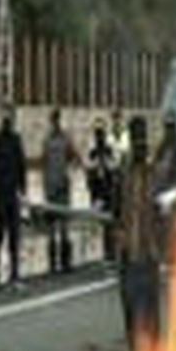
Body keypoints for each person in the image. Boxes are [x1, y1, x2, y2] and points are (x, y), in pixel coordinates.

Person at [115, 116, 161, 351]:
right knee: (131, 309)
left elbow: (162, 211)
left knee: (150, 312)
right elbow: (117, 209)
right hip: (128, 253)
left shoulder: (155, 173)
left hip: (149, 252)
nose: (140, 146)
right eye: (136, 140)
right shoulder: (124, 173)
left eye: (142, 140)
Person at [0, 104, 26, 289]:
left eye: (10, 114)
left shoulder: (16, 140)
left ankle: (14, 275)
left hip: (12, 195)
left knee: (14, 238)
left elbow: (21, 166)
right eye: (5, 114)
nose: (7, 118)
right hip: (0, 194)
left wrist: (23, 191)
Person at [43, 108, 81, 274]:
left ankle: (65, 263)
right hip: (51, 187)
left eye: (57, 119)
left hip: (63, 187)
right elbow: (43, 162)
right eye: (53, 120)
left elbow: (76, 158)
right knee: (52, 228)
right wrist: (44, 184)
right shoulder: (47, 140)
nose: (55, 123)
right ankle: (53, 264)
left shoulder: (66, 139)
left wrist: (69, 173)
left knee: (64, 226)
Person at [87, 118, 118, 260]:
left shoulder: (109, 150)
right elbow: (90, 171)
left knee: (109, 223)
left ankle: (110, 251)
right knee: (99, 222)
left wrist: (105, 161)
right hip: (98, 191)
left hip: (108, 191)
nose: (99, 137)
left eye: (101, 134)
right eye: (97, 134)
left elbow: (113, 168)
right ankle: (102, 251)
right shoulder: (92, 152)